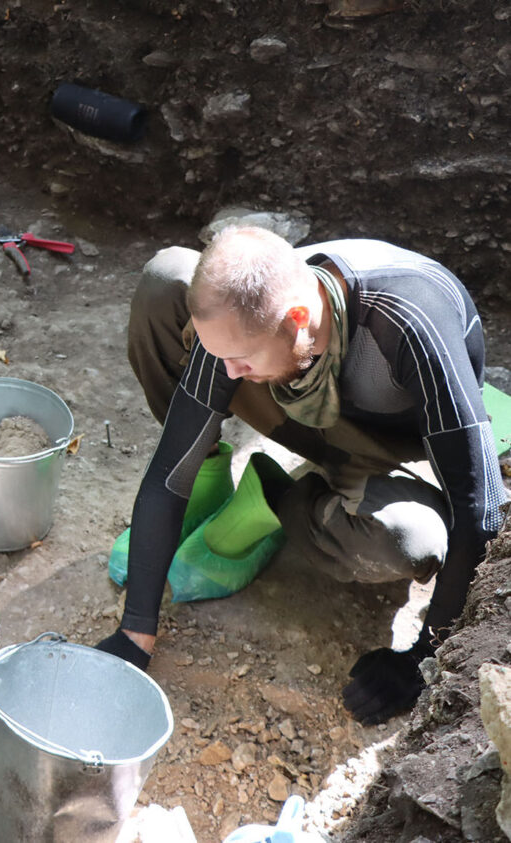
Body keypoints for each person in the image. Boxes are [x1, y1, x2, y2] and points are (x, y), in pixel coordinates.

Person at [96, 226, 507, 725]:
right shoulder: (244, 327)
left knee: (409, 542)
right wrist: (135, 634)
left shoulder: (411, 322)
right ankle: (215, 485)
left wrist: (421, 660)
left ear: (297, 318)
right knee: (169, 277)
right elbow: (168, 471)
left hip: (387, 441)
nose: (224, 371)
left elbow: (480, 507)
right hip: (293, 396)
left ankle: (276, 498)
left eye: (238, 359)